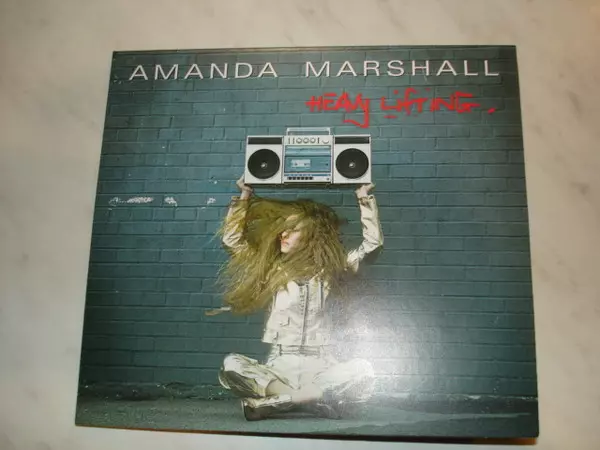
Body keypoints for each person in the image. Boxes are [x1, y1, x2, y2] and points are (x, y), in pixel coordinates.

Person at [207, 175, 384, 421]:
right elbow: (232, 241)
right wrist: (244, 197)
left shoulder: (335, 269)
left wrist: (364, 198)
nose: (283, 234)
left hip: (321, 365)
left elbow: (372, 246)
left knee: (363, 370)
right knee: (231, 365)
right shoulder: (270, 268)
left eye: (293, 230)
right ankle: (308, 401)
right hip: (280, 365)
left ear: (312, 236)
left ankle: (279, 403)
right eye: (283, 229)